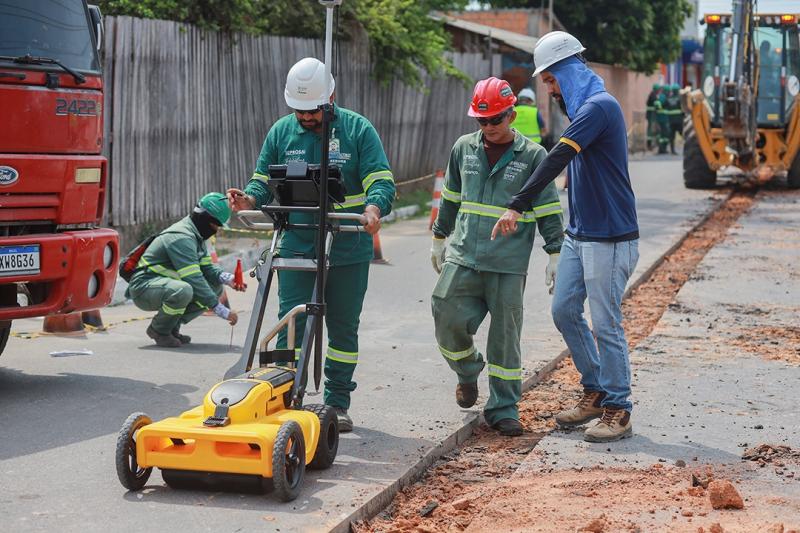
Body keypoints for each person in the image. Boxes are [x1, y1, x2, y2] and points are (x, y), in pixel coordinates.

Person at [227, 57, 395, 433]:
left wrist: (372, 208)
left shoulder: (356, 130)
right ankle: (288, 396)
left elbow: (382, 180)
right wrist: (249, 200)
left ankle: (337, 402)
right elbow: (261, 181)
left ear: (330, 97)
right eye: (298, 110)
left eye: (312, 110)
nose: (305, 117)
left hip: (347, 244)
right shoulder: (281, 133)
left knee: (342, 327)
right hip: (296, 243)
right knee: (292, 323)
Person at [492, 31, 640, 443]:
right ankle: (596, 389)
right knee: (563, 311)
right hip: (581, 234)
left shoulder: (599, 108)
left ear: (567, 71)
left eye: (551, 80)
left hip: (610, 237)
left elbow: (558, 155)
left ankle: (619, 408)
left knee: (606, 323)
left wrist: (517, 203)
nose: (548, 88)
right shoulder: (583, 109)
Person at [430, 76, 564, 437]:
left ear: (511, 115)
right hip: (464, 255)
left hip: (507, 264)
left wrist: (555, 251)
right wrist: (439, 237)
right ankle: (468, 371)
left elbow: (549, 208)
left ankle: (503, 408)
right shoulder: (463, 148)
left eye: (495, 120)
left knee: (505, 337)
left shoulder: (534, 157)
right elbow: (451, 198)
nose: (488, 127)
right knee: (444, 312)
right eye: (481, 120)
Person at [127, 193, 241, 348]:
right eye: (216, 226)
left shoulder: (196, 235)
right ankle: (159, 330)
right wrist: (220, 309)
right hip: (144, 287)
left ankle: (172, 327)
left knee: (215, 287)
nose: (217, 230)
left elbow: (207, 268)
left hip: (163, 285)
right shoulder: (182, 237)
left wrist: (227, 278)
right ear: (206, 220)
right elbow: (193, 278)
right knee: (184, 290)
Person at [665, 83, 682, 154]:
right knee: (683, 135)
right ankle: (687, 150)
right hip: (679, 120)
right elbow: (683, 109)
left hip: (670, 120)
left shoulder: (668, 98)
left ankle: (672, 151)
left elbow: (665, 107)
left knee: (672, 137)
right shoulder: (680, 98)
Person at [645, 83, 660, 150]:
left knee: (651, 129)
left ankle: (651, 144)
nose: (658, 91)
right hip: (651, 114)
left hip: (650, 114)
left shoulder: (652, 94)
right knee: (650, 130)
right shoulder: (653, 95)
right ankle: (649, 145)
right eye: (658, 90)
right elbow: (656, 104)